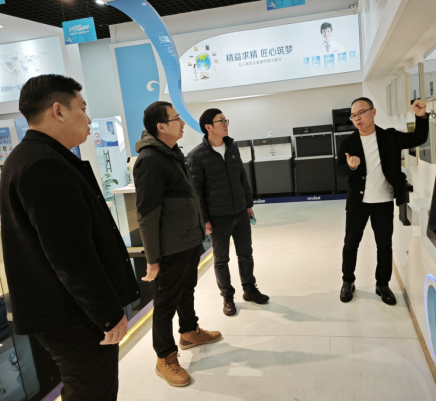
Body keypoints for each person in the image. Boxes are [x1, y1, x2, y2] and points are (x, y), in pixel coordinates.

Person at [0, 74, 140, 401]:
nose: (89, 120)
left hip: (66, 309)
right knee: (92, 390)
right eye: (83, 108)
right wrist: (108, 313)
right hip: (73, 314)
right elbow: (72, 255)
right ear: (59, 111)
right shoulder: (44, 164)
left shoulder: (29, 157)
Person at [134, 101, 222, 387]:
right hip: (170, 247)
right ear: (161, 127)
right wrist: (152, 259)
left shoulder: (172, 153)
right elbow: (147, 214)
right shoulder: (150, 159)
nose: (183, 123)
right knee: (165, 303)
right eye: (176, 119)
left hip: (188, 240)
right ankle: (165, 357)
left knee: (187, 290)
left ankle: (189, 331)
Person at [336, 98, 429, 305]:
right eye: (353, 115)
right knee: (351, 244)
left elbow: (418, 138)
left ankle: (382, 284)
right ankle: (347, 281)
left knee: (384, 245)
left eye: (361, 113)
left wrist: (421, 116)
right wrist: (350, 167)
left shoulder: (389, 137)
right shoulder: (348, 143)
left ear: (373, 112)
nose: (357, 118)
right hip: (358, 203)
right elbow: (339, 170)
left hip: (383, 201)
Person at [188, 109, 269, 317]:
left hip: (240, 212)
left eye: (226, 120)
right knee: (221, 259)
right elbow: (196, 192)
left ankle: (249, 289)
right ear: (208, 127)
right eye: (221, 121)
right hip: (218, 217)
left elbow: (242, 177)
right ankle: (227, 296)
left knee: (246, 254)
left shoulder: (232, 148)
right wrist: (204, 219)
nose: (226, 124)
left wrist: (248, 203)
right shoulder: (196, 156)